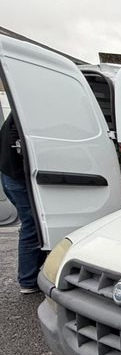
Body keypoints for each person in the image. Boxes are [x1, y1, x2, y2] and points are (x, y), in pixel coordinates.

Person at [1, 113, 45, 293]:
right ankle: (28, 280)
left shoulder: (23, 109)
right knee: (32, 225)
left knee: (34, 225)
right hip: (17, 177)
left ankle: (33, 274)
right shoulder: (28, 110)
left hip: (11, 174)